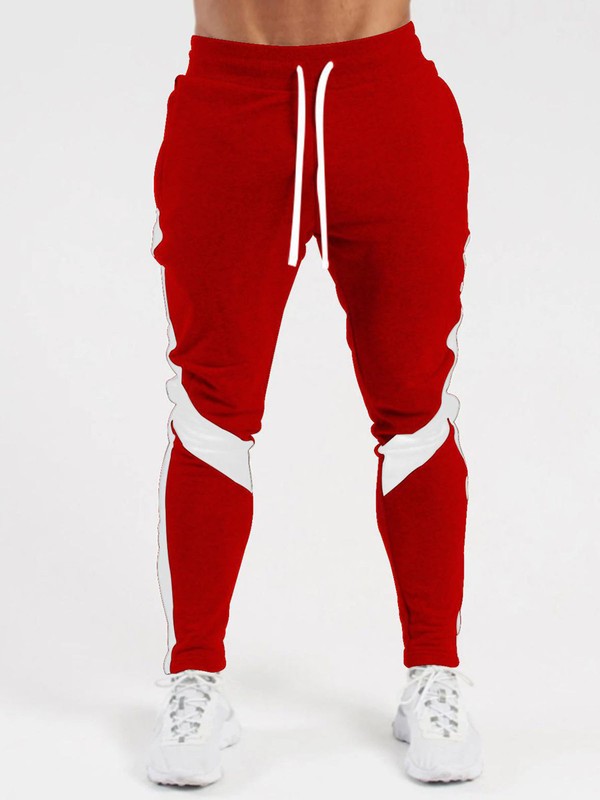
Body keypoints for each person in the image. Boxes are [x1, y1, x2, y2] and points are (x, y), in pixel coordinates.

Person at [146, 0, 483, 786]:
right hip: (230, 103)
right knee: (212, 404)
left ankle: (435, 672)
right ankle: (195, 677)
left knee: (415, 403)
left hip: (385, 100)